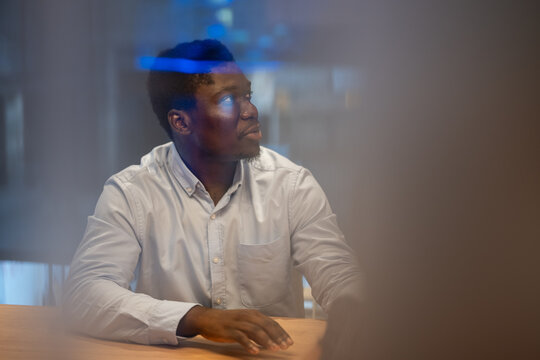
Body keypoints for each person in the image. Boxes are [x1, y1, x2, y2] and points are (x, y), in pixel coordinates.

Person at [63, 39, 362, 355]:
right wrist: (197, 319)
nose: (251, 111)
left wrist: (353, 306)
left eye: (248, 95)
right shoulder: (132, 192)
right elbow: (84, 294)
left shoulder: (291, 185)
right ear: (181, 121)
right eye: (229, 100)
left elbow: (338, 273)